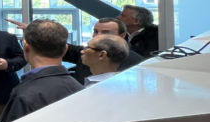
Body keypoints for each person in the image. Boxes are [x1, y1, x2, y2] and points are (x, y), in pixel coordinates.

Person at [12, 16, 145, 82]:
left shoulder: (135, 63)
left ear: (122, 36)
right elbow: (54, 44)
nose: (98, 36)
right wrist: (36, 31)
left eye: (105, 32)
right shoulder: (86, 52)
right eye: (95, 31)